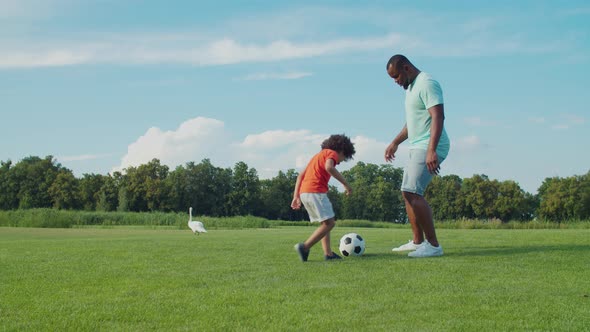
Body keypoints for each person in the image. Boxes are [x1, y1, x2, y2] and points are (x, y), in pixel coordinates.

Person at [384, 54, 450, 258]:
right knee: (407, 192)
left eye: (396, 77)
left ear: (406, 68)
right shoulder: (411, 88)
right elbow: (412, 123)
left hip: (430, 146)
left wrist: (432, 149)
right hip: (417, 145)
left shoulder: (427, 83)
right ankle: (417, 241)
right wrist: (395, 142)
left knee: (413, 192)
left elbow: (438, 116)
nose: (396, 82)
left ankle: (433, 245)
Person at [292, 134, 355, 262]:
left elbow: (300, 176)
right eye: (343, 158)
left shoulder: (317, 156)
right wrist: (346, 184)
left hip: (305, 192)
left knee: (325, 223)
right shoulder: (332, 153)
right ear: (342, 151)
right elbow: (329, 167)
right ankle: (305, 247)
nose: (340, 161)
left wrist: (296, 196)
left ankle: (328, 254)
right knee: (330, 223)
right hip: (316, 191)